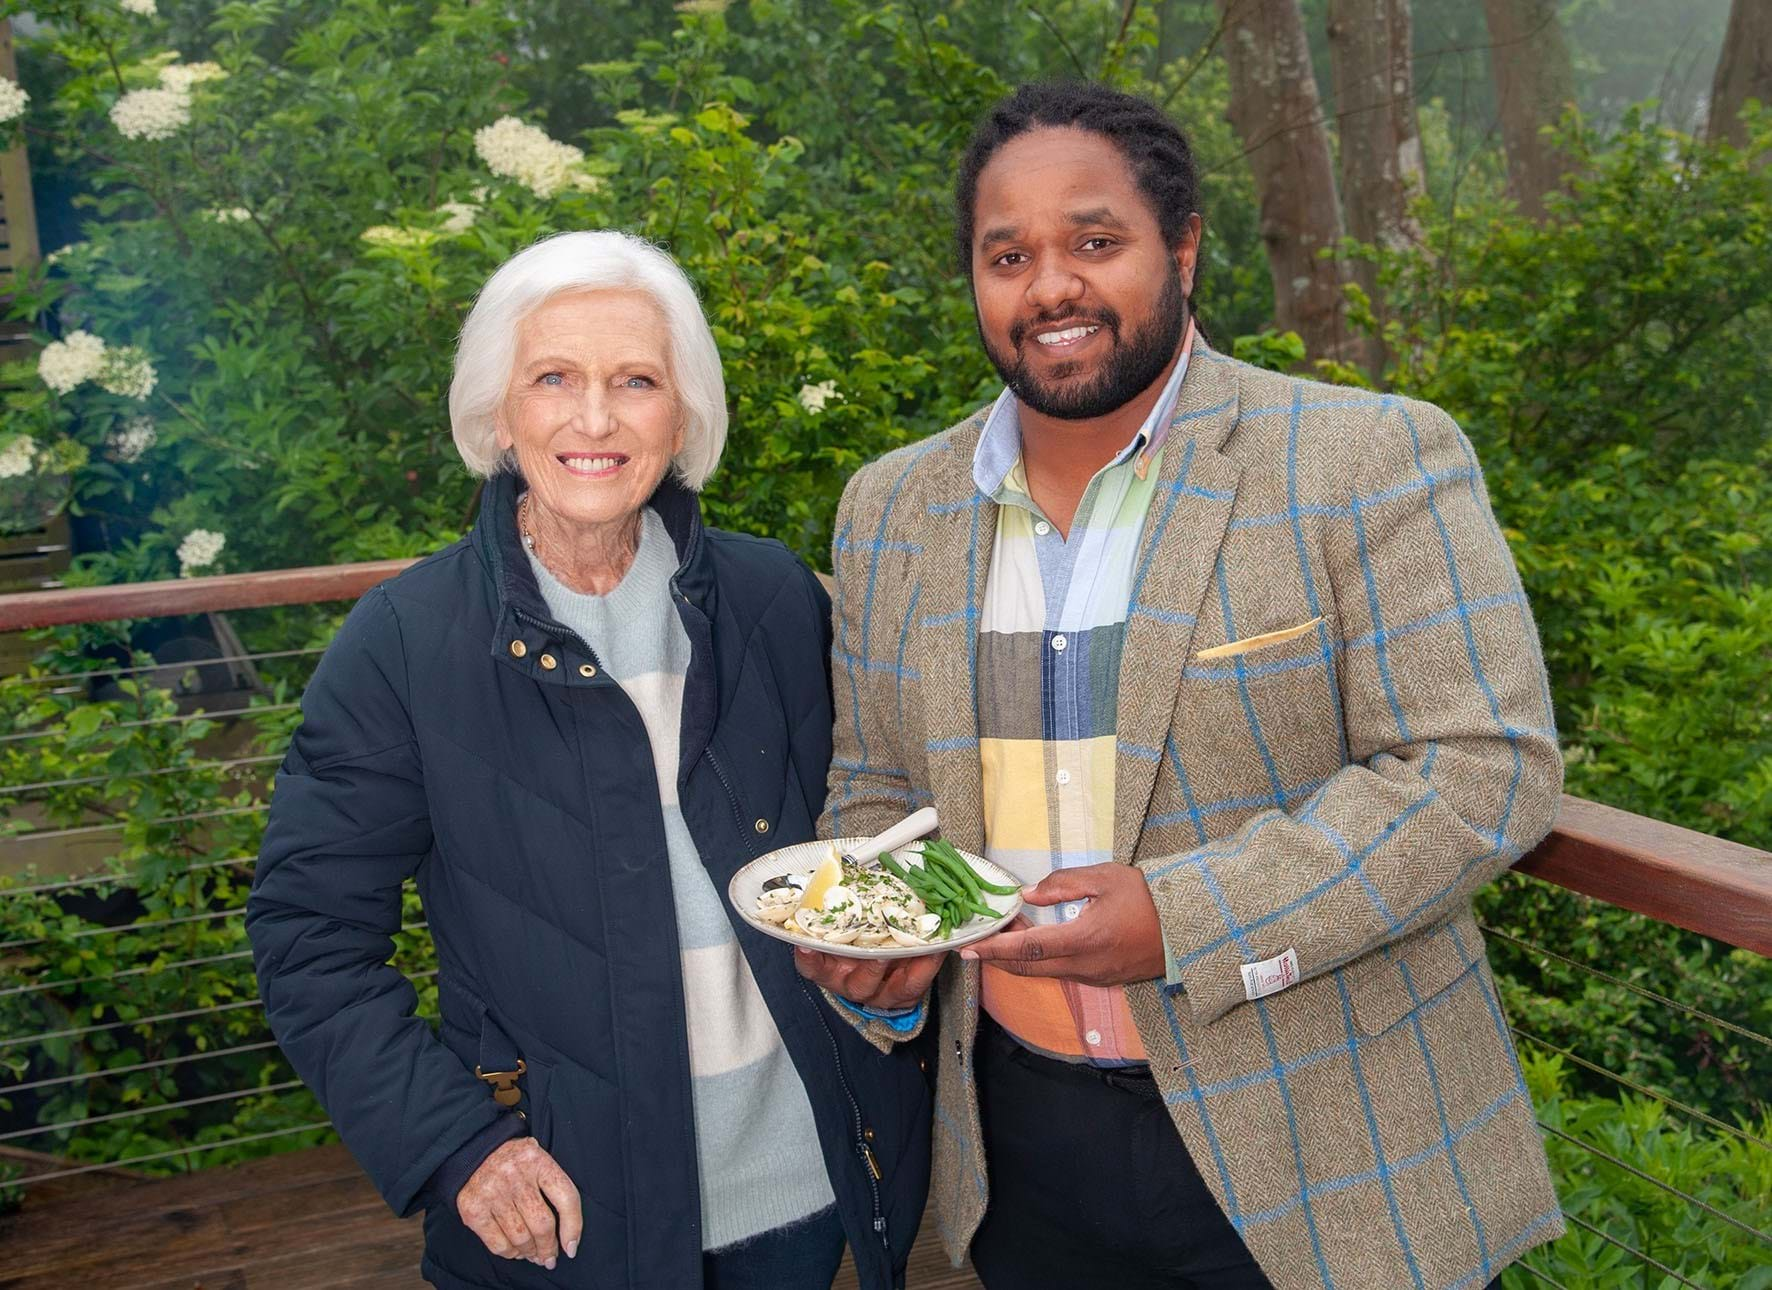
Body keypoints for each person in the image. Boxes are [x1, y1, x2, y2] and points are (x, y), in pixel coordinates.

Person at [797, 82, 1564, 1290]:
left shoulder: (1363, 457)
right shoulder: (890, 508)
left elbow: (1480, 770)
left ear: (1184, 248)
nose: (1050, 286)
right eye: (1008, 255)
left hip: (1322, 1143)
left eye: (1093, 242)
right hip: (1017, 1149)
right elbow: (876, 785)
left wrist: (1181, 919)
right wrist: (880, 944)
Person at [247, 230, 931, 1290]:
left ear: (684, 412)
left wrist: (884, 981)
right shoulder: (403, 644)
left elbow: (855, 842)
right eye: (553, 377)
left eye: (637, 381)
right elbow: (310, 942)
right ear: (497, 410)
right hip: (569, 1217)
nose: (595, 419)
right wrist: (456, 1147)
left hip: (803, 1187)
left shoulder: (773, 602)